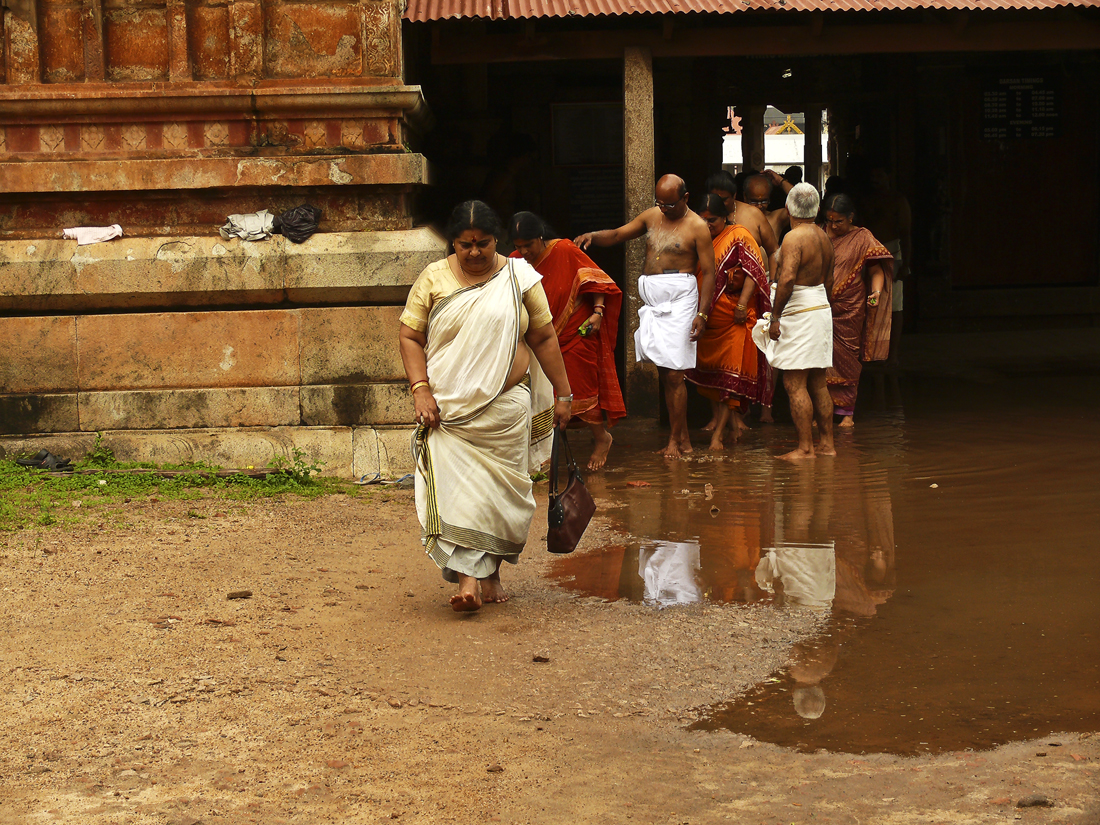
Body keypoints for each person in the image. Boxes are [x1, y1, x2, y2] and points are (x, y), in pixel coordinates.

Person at [399, 200, 573, 613]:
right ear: (453, 244)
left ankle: (490, 574)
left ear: (499, 241)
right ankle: (468, 582)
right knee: (460, 494)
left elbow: (544, 339)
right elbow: (409, 336)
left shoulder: (519, 277)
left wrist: (565, 395)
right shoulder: (434, 278)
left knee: (496, 497)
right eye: (465, 245)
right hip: (448, 412)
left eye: (484, 244)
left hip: (504, 410)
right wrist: (420, 389)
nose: (474, 252)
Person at [575, 174, 715, 458]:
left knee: (675, 374)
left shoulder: (698, 227)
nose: (663, 209)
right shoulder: (652, 215)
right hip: (653, 298)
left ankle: (675, 441)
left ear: (685, 198)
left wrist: (702, 312)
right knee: (665, 370)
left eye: (670, 204)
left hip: (681, 298)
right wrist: (593, 236)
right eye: (660, 203)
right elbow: (617, 234)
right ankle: (684, 438)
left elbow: (710, 273)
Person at [509, 211, 626, 470]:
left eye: (528, 245)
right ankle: (546, 453)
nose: (524, 251)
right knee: (543, 396)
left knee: (580, 391)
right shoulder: (514, 261)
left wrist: (598, 313)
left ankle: (601, 438)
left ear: (540, 236)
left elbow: (595, 278)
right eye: (519, 246)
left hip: (576, 331)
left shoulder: (564, 249)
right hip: (540, 339)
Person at [752, 183, 837, 460]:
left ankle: (805, 448)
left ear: (788, 208)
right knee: (818, 382)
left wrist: (775, 317)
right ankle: (827, 445)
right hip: (819, 307)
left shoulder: (793, 238)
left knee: (794, 383)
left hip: (800, 309)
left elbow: (786, 279)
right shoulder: (824, 236)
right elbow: (829, 281)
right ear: (818, 209)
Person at [685, 194, 771, 451]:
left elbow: (754, 272)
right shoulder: (696, 239)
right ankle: (732, 428)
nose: (708, 225)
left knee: (728, 381)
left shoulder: (739, 235)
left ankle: (718, 436)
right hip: (707, 320)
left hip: (735, 319)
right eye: (703, 220)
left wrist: (743, 305)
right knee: (713, 380)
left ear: (726, 218)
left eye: (712, 220)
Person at [822, 193, 895, 427]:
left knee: (848, 358)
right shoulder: (819, 234)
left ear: (850, 217)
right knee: (818, 357)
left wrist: (875, 293)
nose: (833, 226)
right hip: (821, 306)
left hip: (851, 307)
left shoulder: (863, 237)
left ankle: (846, 413)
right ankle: (821, 410)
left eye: (839, 221)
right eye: (830, 220)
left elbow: (875, 270)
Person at [858, 166, 911, 367]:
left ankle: (893, 354)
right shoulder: (865, 200)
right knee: (868, 303)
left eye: (879, 175)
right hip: (869, 253)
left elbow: (905, 233)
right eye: (873, 176)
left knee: (895, 306)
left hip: (892, 253)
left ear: (888, 176)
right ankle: (870, 351)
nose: (876, 180)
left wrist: (906, 263)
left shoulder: (898, 200)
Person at [706, 170, 778, 281]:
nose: (719, 203)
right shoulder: (702, 219)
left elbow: (773, 251)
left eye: (724, 199)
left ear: (734, 195)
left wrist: (772, 283)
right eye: (715, 198)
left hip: (753, 286)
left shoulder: (753, 215)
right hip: (715, 287)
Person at [745, 173, 791, 246]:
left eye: (764, 201)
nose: (760, 206)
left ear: (769, 198)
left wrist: (781, 181)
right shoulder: (737, 217)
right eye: (754, 201)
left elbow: (802, 204)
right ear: (745, 198)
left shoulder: (776, 218)